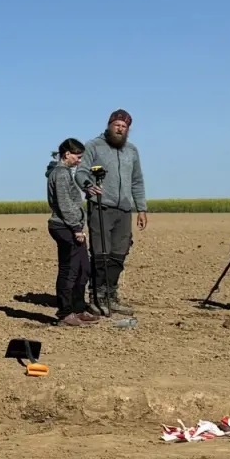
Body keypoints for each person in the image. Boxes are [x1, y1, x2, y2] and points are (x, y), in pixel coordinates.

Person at [83, 109, 147, 316]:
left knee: (119, 254)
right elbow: (82, 171)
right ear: (110, 125)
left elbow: (137, 180)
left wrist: (141, 208)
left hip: (124, 210)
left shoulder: (131, 150)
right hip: (101, 206)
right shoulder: (94, 146)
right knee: (101, 254)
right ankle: (97, 296)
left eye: (124, 126)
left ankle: (111, 295)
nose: (120, 129)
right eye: (117, 125)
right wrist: (88, 186)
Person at [46, 138, 100, 327]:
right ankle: (65, 313)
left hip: (71, 226)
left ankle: (78, 308)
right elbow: (65, 204)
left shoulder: (65, 173)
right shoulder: (60, 174)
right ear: (66, 154)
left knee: (83, 269)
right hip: (64, 227)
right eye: (77, 157)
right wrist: (76, 228)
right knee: (69, 271)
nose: (79, 161)